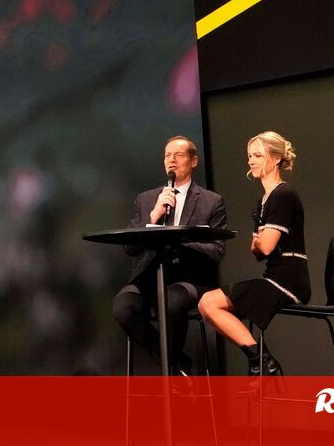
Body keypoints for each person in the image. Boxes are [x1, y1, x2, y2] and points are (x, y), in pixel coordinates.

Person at [113, 136, 227, 376]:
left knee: (173, 301)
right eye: (167, 155)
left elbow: (217, 251)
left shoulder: (211, 201)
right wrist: (152, 219)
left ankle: (171, 371)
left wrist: (181, 239)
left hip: (189, 279)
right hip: (150, 276)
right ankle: (176, 367)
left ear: (193, 161)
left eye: (179, 155)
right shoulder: (146, 199)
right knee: (123, 307)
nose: (171, 160)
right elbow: (130, 248)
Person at [198, 131, 310, 376]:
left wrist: (260, 241)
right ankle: (261, 362)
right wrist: (260, 242)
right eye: (250, 156)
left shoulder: (283, 195)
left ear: (277, 158)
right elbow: (256, 252)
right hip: (274, 276)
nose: (251, 161)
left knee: (209, 302)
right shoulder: (263, 201)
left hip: (288, 281)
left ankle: (263, 362)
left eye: (258, 155)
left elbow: (264, 247)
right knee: (207, 304)